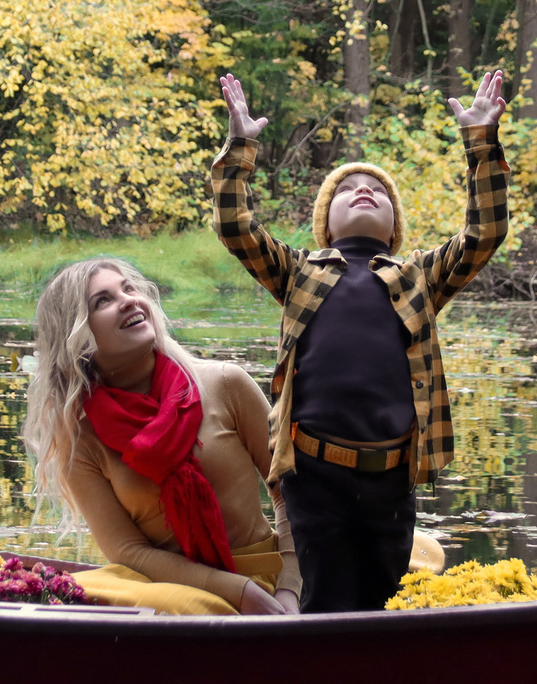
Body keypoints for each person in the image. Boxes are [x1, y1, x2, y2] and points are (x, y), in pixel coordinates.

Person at [211, 71, 510, 612]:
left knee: (383, 605)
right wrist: (240, 147)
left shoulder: (419, 276)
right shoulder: (298, 272)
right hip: (313, 476)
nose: (362, 190)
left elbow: (484, 233)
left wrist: (481, 144)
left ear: (395, 224)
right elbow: (236, 228)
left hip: (391, 479)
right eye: (345, 189)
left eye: (375, 189)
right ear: (325, 221)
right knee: (323, 601)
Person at [21, 258, 299, 616]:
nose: (128, 300)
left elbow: (294, 496)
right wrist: (236, 590)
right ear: (76, 337)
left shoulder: (226, 384)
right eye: (102, 301)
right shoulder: (79, 439)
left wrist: (290, 590)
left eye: (129, 288)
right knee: (71, 592)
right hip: (171, 593)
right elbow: (128, 552)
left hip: (265, 585)